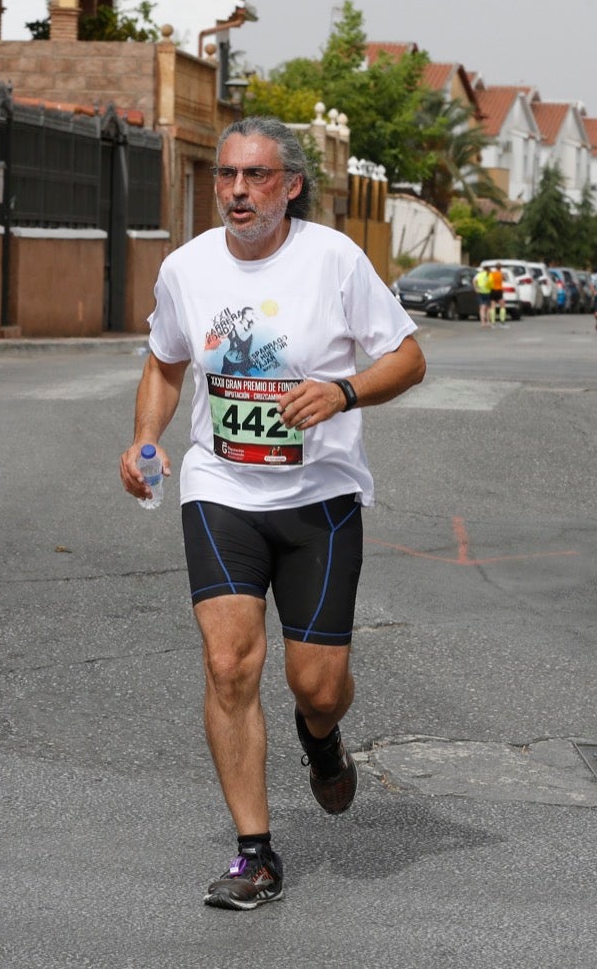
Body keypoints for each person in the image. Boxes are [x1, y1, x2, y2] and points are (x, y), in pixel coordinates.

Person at [120, 117, 426, 912]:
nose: (236, 191)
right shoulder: (187, 268)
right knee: (229, 665)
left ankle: (320, 739)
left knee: (316, 686)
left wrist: (344, 391)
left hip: (319, 497)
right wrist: (145, 438)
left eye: (255, 176)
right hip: (220, 488)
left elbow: (408, 357)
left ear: (290, 185)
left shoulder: (334, 260)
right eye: (226, 175)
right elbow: (165, 362)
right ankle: (254, 854)